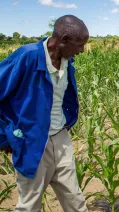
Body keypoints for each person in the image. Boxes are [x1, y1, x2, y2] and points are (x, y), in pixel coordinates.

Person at [0, 15, 89, 211]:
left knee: (75, 200)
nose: (82, 49)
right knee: (30, 204)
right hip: (31, 143)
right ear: (64, 40)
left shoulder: (67, 63)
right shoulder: (27, 56)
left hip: (60, 139)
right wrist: (4, 138)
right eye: (80, 44)